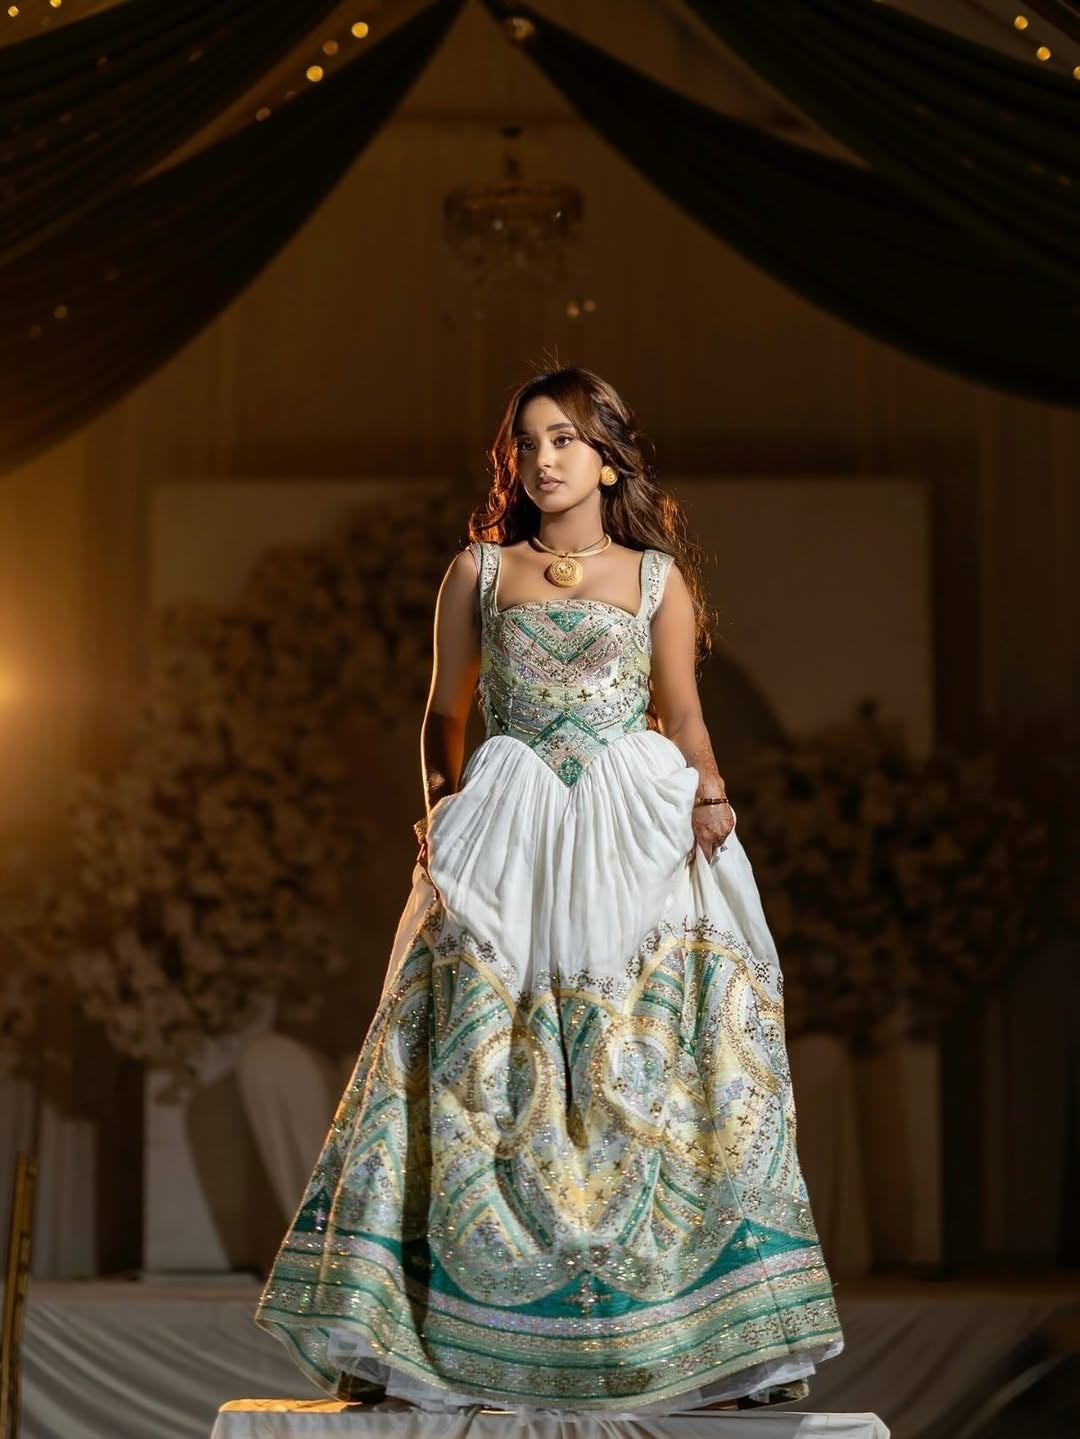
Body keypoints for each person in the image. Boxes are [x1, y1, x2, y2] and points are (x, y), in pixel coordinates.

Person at [255, 367, 843, 1412]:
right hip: (512, 813)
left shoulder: (657, 580)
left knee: (663, 1056)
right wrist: (439, 812)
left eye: (568, 438)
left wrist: (709, 793)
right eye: (529, 441)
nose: (546, 458)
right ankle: (398, 1332)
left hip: (629, 814)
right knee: (467, 1052)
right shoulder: (479, 571)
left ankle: (727, 1341)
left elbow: (686, 716)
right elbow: (443, 715)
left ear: (610, 453)